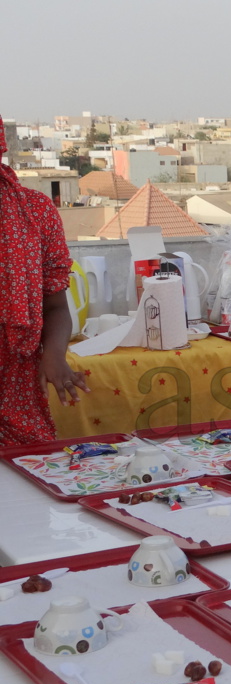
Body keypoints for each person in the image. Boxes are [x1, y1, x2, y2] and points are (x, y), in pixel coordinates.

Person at [0, 115, 89, 446]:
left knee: (28, 481)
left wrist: (54, 355)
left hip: (17, 384)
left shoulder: (35, 212)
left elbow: (55, 305)